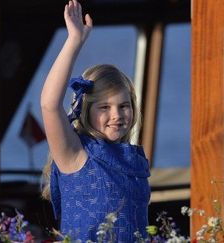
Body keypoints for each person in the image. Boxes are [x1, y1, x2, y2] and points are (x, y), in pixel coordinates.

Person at [40, 1, 151, 241]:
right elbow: (49, 105)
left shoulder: (134, 160)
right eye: (105, 107)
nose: (117, 115)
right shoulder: (75, 154)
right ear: (86, 111)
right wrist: (74, 41)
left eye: (124, 106)